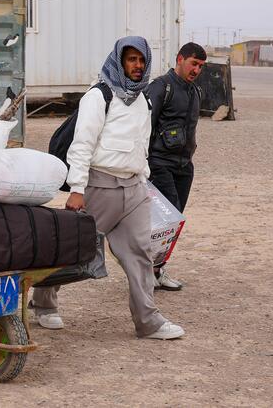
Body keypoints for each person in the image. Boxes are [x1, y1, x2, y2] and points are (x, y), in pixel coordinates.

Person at [30, 36, 185, 340]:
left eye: (141, 60)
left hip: (134, 189)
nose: (137, 66)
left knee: (141, 252)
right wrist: (77, 188)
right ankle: (43, 302)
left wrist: (144, 178)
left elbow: (143, 144)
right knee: (73, 249)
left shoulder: (145, 100)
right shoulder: (98, 96)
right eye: (131, 60)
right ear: (119, 61)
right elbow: (82, 145)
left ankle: (148, 321)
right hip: (99, 186)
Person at [145, 42, 206, 291]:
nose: (196, 70)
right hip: (160, 164)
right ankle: (146, 271)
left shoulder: (195, 91)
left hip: (184, 166)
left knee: (175, 221)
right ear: (180, 59)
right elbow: (144, 125)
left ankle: (157, 270)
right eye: (194, 63)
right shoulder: (162, 87)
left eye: (201, 66)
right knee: (163, 223)